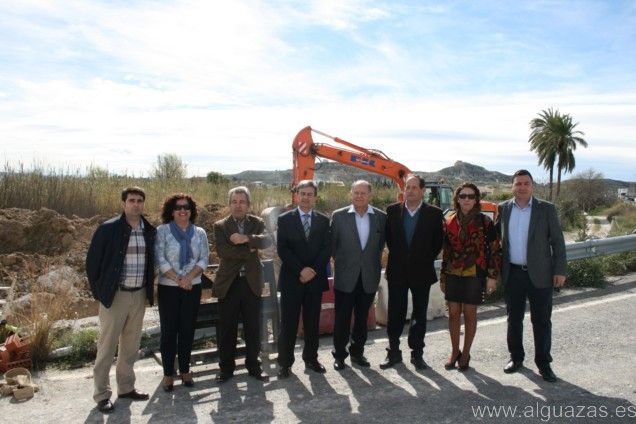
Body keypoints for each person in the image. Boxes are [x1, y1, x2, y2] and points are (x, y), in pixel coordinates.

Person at [86, 187, 156, 413]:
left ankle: (126, 388)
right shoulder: (108, 229)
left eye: (139, 200)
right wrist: (101, 292)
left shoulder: (149, 230)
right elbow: (92, 263)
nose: (136, 204)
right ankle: (102, 394)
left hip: (139, 294)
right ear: (124, 203)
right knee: (107, 346)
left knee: (130, 345)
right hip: (116, 295)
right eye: (131, 200)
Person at [496, 170, 566, 382]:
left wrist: (560, 270)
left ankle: (544, 363)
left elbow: (558, 242)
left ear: (532, 186)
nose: (522, 187)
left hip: (541, 274)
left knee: (542, 320)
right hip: (513, 273)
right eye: (518, 183)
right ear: (512, 187)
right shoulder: (503, 208)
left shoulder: (546, 209)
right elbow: (496, 240)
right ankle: (516, 358)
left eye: (526, 183)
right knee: (513, 319)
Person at [381, 175, 444, 370]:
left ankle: (417, 354)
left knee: (419, 314)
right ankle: (393, 352)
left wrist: (421, 257)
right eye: (407, 187)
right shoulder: (392, 211)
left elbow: (437, 242)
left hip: (421, 271)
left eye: (414, 187)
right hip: (397, 271)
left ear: (422, 191)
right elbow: (389, 239)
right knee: (395, 313)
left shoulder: (434, 214)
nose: (409, 191)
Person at [439, 183, 501, 371]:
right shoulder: (448, 221)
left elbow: (495, 249)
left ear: (476, 200)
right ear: (457, 199)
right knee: (453, 313)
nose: (466, 199)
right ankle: (454, 352)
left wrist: (492, 276)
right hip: (452, 273)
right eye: (463, 196)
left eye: (471, 196)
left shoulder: (485, 222)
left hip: (475, 273)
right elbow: (446, 252)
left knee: (470, 313)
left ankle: (465, 354)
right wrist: (443, 276)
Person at [213, 186, 272, 383]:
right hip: (229, 283)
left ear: (248, 204)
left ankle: (254, 366)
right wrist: (249, 250)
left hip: (251, 282)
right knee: (227, 328)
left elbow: (267, 241)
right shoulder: (220, 226)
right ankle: (226, 368)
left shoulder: (257, 222)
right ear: (229, 204)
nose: (238, 205)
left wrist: (246, 238)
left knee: (253, 327)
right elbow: (223, 251)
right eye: (234, 202)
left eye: (242, 202)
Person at [276, 180, 331, 378]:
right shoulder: (284, 219)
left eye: (310, 194)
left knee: (312, 323)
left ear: (315, 197)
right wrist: (301, 270)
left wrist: (312, 270)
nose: (306, 197)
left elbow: (327, 248)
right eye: (303, 194)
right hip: (292, 279)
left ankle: (311, 359)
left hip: (315, 280)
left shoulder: (324, 220)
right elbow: (283, 249)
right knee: (288, 324)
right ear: (296, 196)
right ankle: (285, 363)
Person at [155, 194, 209, 391]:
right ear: (171, 211)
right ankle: (168, 374)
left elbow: (204, 258)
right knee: (169, 331)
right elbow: (160, 258)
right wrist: (179, 279)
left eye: (186, 207)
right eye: (178, 207)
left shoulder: (200, 233)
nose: (182, 210)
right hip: (169, 288)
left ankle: (185, 370)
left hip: (192, 287)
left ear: (191, 210)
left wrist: (189, 278)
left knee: (187, 329)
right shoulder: (162, 231)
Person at [330, 180, 386, 370]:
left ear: (370, 195)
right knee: (342, 318)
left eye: (363, 193)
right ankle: (339, 355)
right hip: (345, 276)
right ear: (351, 194)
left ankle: (357, 353)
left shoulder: (381, 217)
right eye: (356, 192)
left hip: (369, 276)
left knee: (362, 319)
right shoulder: (338, 216)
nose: (359, 196)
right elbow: (333, 246)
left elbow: (380, 246)